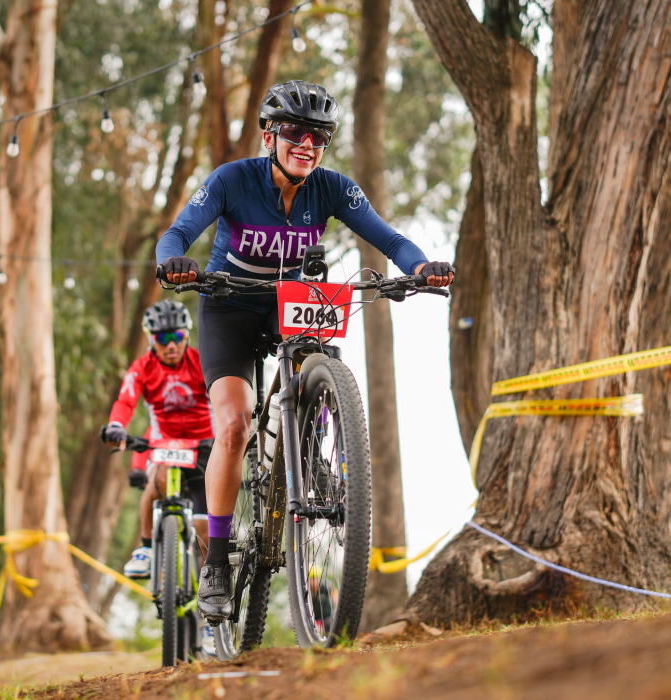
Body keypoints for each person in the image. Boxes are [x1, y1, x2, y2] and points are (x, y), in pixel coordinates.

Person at [155, 80, 455, 622]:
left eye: (319, 136)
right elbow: (177, 234)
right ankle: (219, 562)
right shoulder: (233, 180)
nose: (306, 144)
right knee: (234, 423)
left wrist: (419, 268)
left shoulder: (333, 189)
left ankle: (313, 434)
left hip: (288, 302)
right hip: (229, 303)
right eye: (294, 131)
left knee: (318, 353)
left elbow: (389, 240)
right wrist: (176, 261)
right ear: (270, 134)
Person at [100, 299, 217, 653]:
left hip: (203, 446)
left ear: (186, 336)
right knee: (155, 482)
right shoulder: (142, 367)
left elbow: (222, 392)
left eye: (177, 336)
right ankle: (148, 548)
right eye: (162, 337)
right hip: (164, 445)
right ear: (152, 339)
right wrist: (117, 426)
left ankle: (212, 615)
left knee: (203, 528)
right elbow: (126, 399)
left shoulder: (200, 361)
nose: (170, 344)